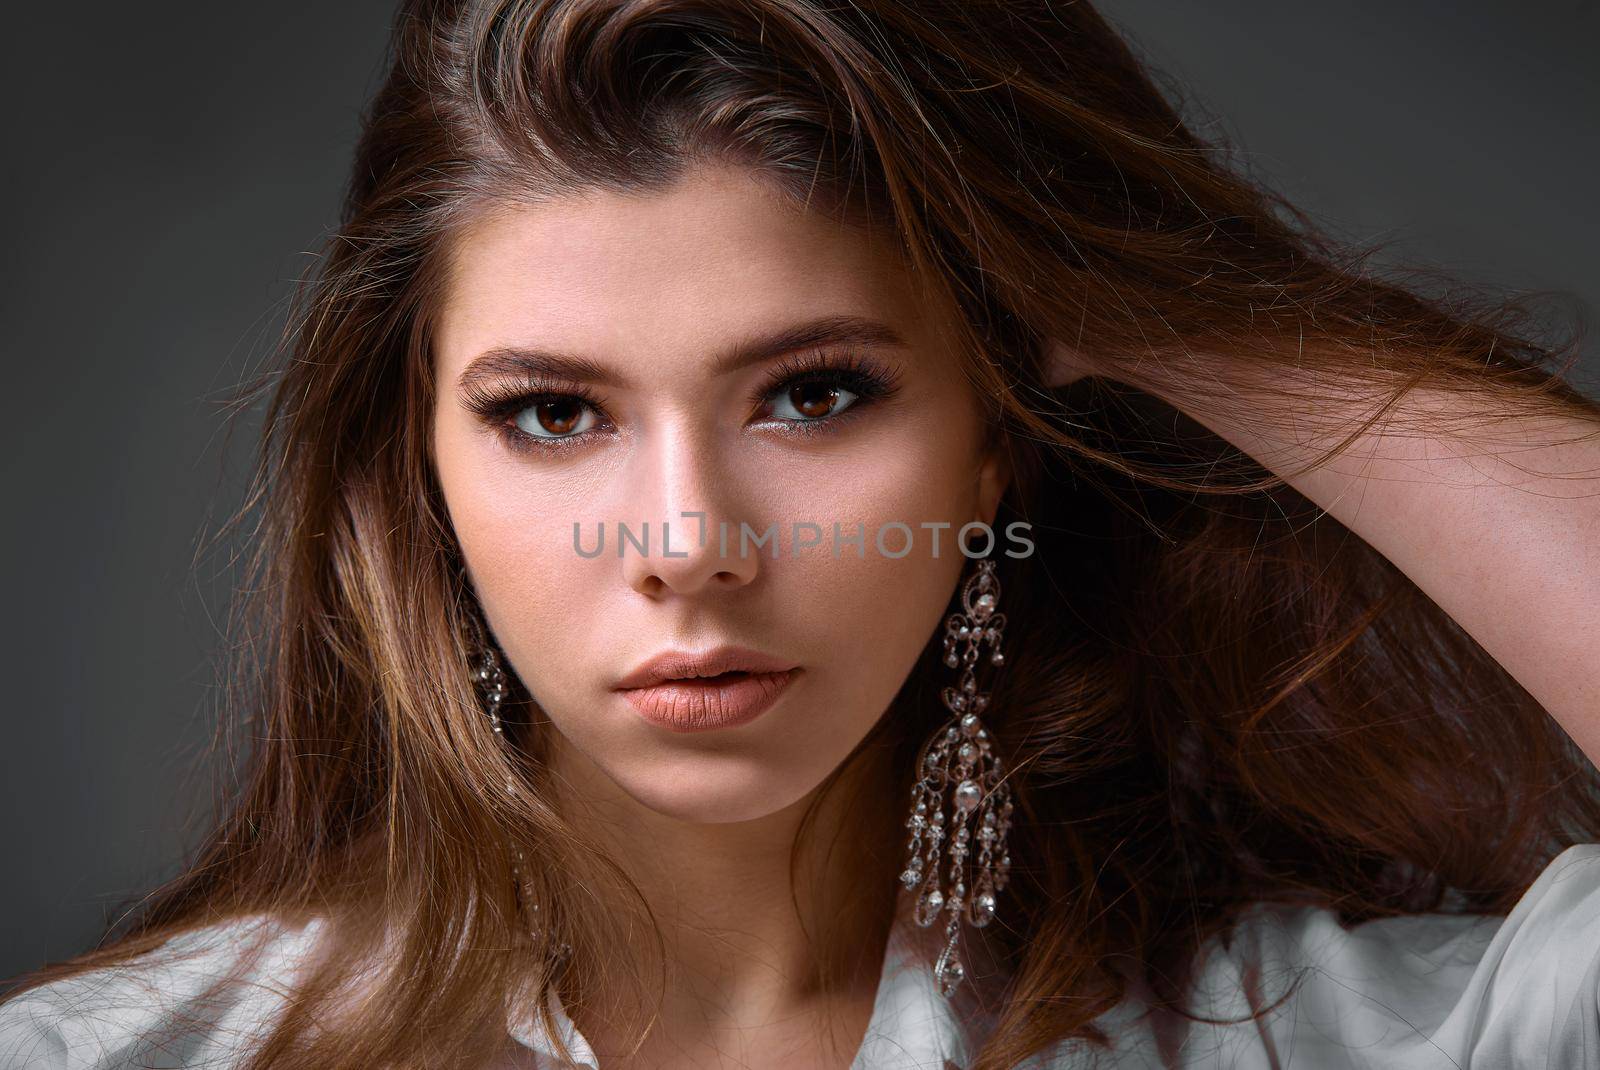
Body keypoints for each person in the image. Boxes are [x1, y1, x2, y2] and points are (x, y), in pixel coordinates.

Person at [3, 1, 1598, 1067]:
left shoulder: (1306, 1036)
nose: (688, 542)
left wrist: (1169, 312)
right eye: (553, 413)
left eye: (818, 393)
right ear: (413, 477)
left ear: (994, 455)